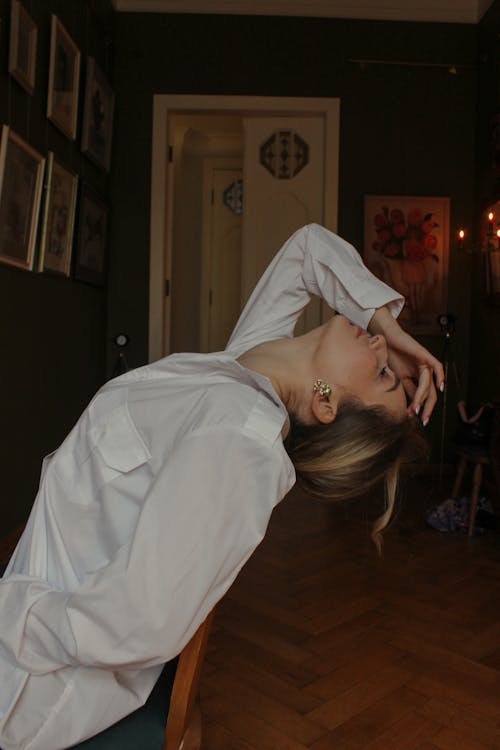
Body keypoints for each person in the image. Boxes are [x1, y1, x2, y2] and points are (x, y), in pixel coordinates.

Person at [0, 224, 443, 750]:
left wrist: (13, 610)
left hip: (34, 675)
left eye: (382, 375)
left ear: (326, 404)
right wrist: (388, 326)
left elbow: (140, 623)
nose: (378, 348)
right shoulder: (246, 370)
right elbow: (306, 250)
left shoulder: (238, 439)